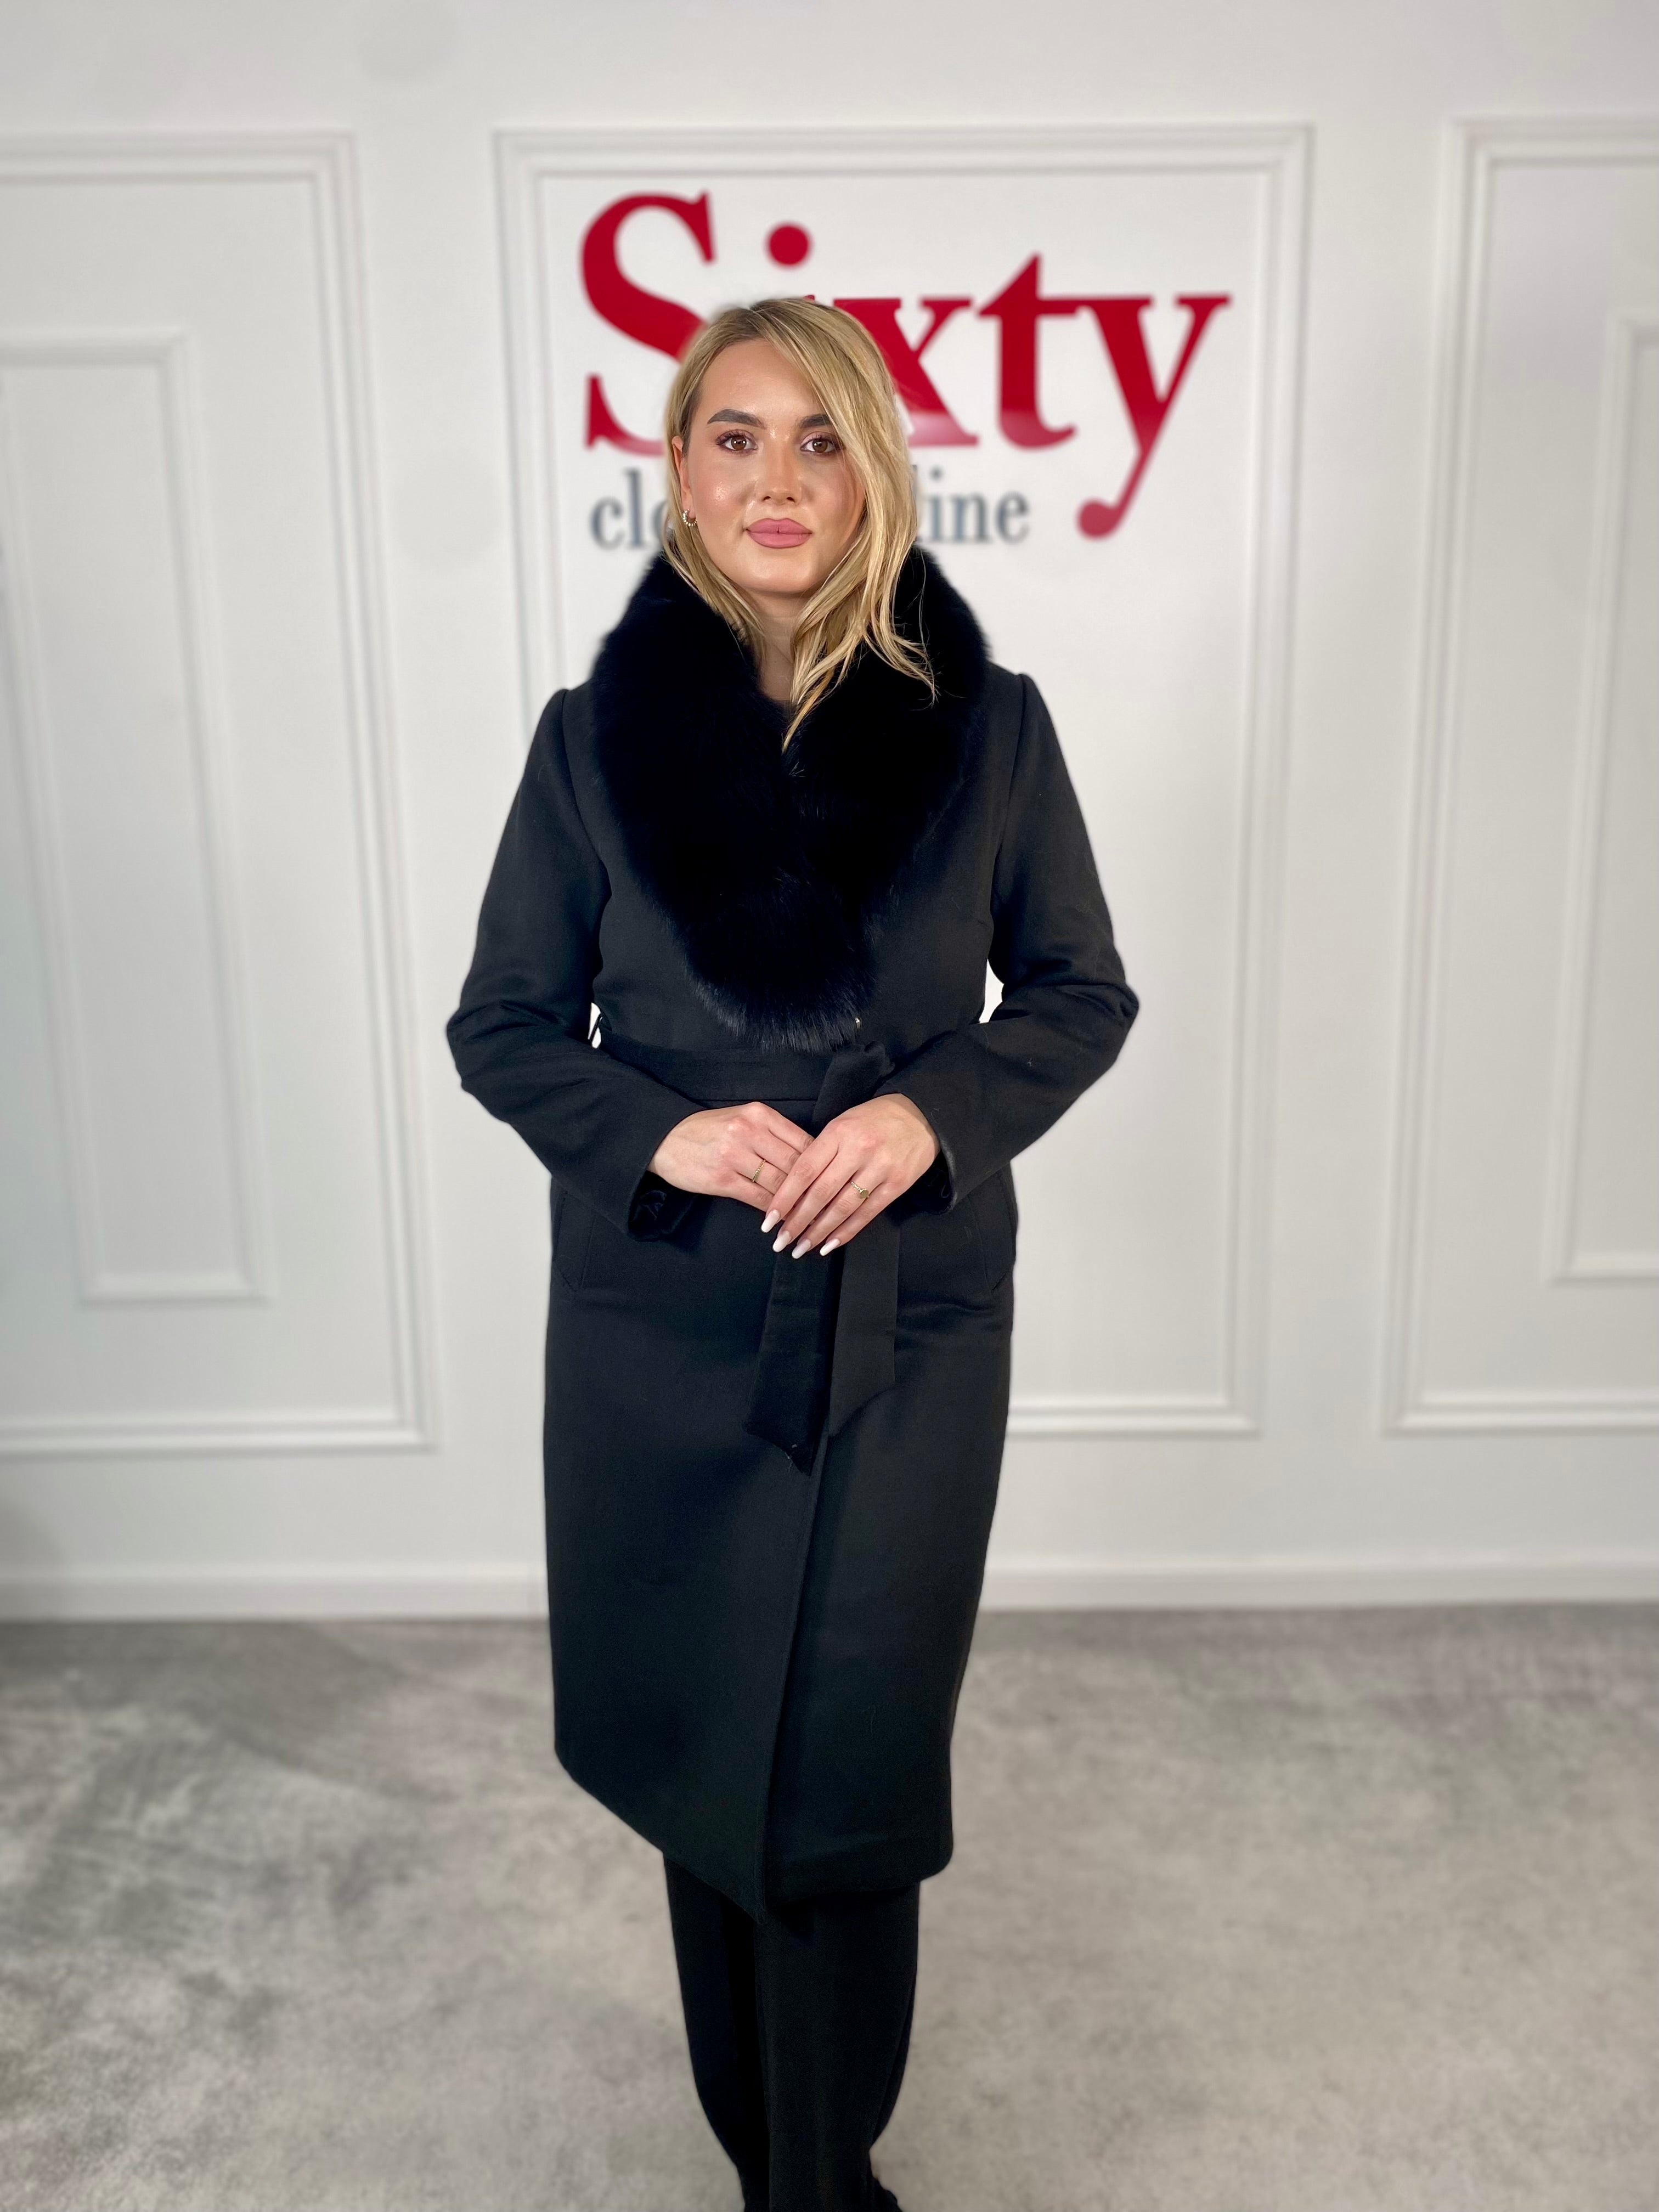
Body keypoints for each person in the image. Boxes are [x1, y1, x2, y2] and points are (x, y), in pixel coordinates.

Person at [445, 297, 1139, 2212]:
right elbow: (503, 1025)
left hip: (905, 1323)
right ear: (679, 470)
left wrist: (932, 1114)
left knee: (849, 1763)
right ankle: (777, 2166)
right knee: (704, 1757)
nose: (778, 479)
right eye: (737, 437)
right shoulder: (590, 750)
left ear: (874, 471)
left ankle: (826, 2180)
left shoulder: (992, 731)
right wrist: (659, 1132)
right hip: (666, 1325)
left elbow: (1079, 990)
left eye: (821, 438)